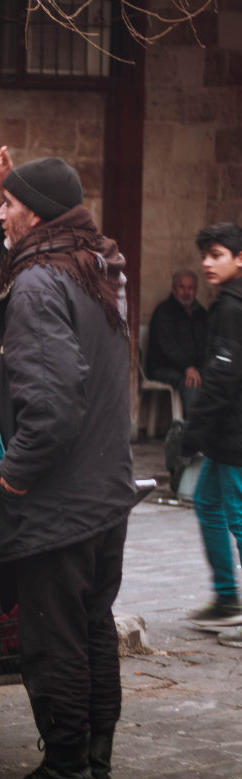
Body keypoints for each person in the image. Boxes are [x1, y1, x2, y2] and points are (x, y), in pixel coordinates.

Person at [0, 142, 136, 779]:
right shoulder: (99, 264)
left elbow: (53, 401)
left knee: (55, 639)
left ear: (33, 216)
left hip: (58, 498)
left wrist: (15, 474)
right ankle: (95, 768)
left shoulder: (38, 285)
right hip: (106, 491)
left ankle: (64, 775)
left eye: (7, 208)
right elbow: (27, 255)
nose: (0, 216)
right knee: (93, 630)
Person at [180, 223, 242, 642]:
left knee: (237, 515)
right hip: (226, 434)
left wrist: (191, 433)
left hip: (234, 434)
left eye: (216, 254)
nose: (207, 262)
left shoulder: (231, 307)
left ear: (239, 259)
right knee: (206, 501)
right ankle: (225, 598)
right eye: (204, 254)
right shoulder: (228, 302)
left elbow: (221, 378)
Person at [146, 268, 208, 419]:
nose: (186, 292)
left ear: (196, 290)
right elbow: (167, 345)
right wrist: (187, 366)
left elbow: (208, 342)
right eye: (182, 287)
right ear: (174, 289)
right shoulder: (164, 311)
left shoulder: (201, 313)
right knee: (191, 382)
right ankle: (194, 431)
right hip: (163, 367)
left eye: (191, 288)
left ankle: (215, 431)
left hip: (193, 367)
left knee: (217, 379)